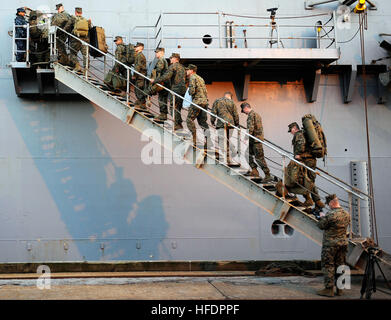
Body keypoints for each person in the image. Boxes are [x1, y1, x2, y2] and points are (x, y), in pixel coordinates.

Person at [317, 194, 351, 297]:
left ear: (332, 203)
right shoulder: (346, 214)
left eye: (328, 204)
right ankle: (340, 290)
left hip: (330, 245)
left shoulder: (330, 215)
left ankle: (329, 289)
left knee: (328, 265)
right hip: (343, 244)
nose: (329, 206)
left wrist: (322, 217)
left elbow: (321, 226)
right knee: (341, 265)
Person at [288, 122, 325, 209]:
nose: (291, 132)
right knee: (307, 180)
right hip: (310, 160)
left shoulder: (298, 134)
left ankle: (315, 201)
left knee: (306, 180)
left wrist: (298, 155)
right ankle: (314, 201)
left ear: (294, 128)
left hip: (306, 160)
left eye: (291, 130)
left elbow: (301, 144)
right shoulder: (304, 134)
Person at [151, 53, 186, 131]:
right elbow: (186, 79)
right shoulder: (183, 67)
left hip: (176, 90)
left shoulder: (173, 66)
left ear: (175, 58)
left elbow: (166, 76)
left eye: (171, 58)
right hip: (183, 90)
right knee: (178, 108)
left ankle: (178, 125)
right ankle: (179, 124)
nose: (170, 59)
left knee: (173, 108)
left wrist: (155, 80)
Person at [240, 102, 273, 182]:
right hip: (254, 140)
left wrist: (245, 138)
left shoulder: (251, 115)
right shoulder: (257, 114)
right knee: (246, 153)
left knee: (259, 158)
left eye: (244, 111)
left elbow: (250, 128)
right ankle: (254, 171)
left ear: (245, 108)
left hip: (256, 140)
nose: (244, 113)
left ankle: (268, 175)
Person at [210, 92, 239, 163]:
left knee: (222, 140)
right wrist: (236, 124)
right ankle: (231, 153)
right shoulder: (232, 102)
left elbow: (213, 112)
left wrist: (212, 121)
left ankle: (225, 156)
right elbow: (236, 115)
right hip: (231, 124)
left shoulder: (217, 101)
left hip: (221, 123)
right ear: (230, 97)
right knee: (227, 139)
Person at [185, 64, 209, 145]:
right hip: (204, 102)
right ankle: (208, 140)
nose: (186, 71)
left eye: (187, 70)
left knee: (189, 119)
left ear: (191, 71)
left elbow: (192, 91)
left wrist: (188, 92)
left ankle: (193, 138)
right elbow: (205, 91)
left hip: (197, 102)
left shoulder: (192, 77)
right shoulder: (200, 78)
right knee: (202, 122)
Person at [146, 47, 169, 121]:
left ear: (162, 53)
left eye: (157, 52)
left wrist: (154, 80)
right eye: (156, 52)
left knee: (161, 99)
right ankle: (163, 114)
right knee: (161, 99)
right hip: (162, 82)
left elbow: (158, 72)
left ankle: (163, 115)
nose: (156, 53)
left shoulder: (161, 60)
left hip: (161, 83)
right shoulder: (162, 60)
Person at [68, 7, 91, 72]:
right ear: (81, 12)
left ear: (75, 12)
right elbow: (90, 28)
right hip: (85, 40)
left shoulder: (73, 19)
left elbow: (67, 26)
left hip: (75, 40)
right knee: (85, 55)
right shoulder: (85, 20)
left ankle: (77, 66)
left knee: (72, 54)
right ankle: (86, 70)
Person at [132, 42, 147, 109]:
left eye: (137, 46)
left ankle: (142, 103)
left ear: (141, 47)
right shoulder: (139, 55)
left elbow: (137, 67)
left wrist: (134, 75)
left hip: (140, 75)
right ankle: (139, 100)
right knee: (137, 89)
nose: (135, 48)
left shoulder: (140, 55)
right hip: (140, 75)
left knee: (139, 89)